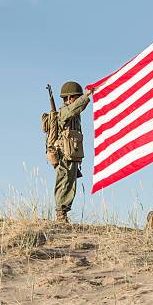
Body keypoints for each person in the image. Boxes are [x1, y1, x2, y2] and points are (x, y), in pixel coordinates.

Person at [53, 81, 93, 223]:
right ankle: (61, 214)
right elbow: (75, 108)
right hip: (64, 154)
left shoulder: (75, 115)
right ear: (69, 98)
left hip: (72, 154)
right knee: (64, 182)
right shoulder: (64, 112)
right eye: (76, 97)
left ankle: (63, 213)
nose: (77, 99)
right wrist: (87, 96)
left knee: (70, 184)